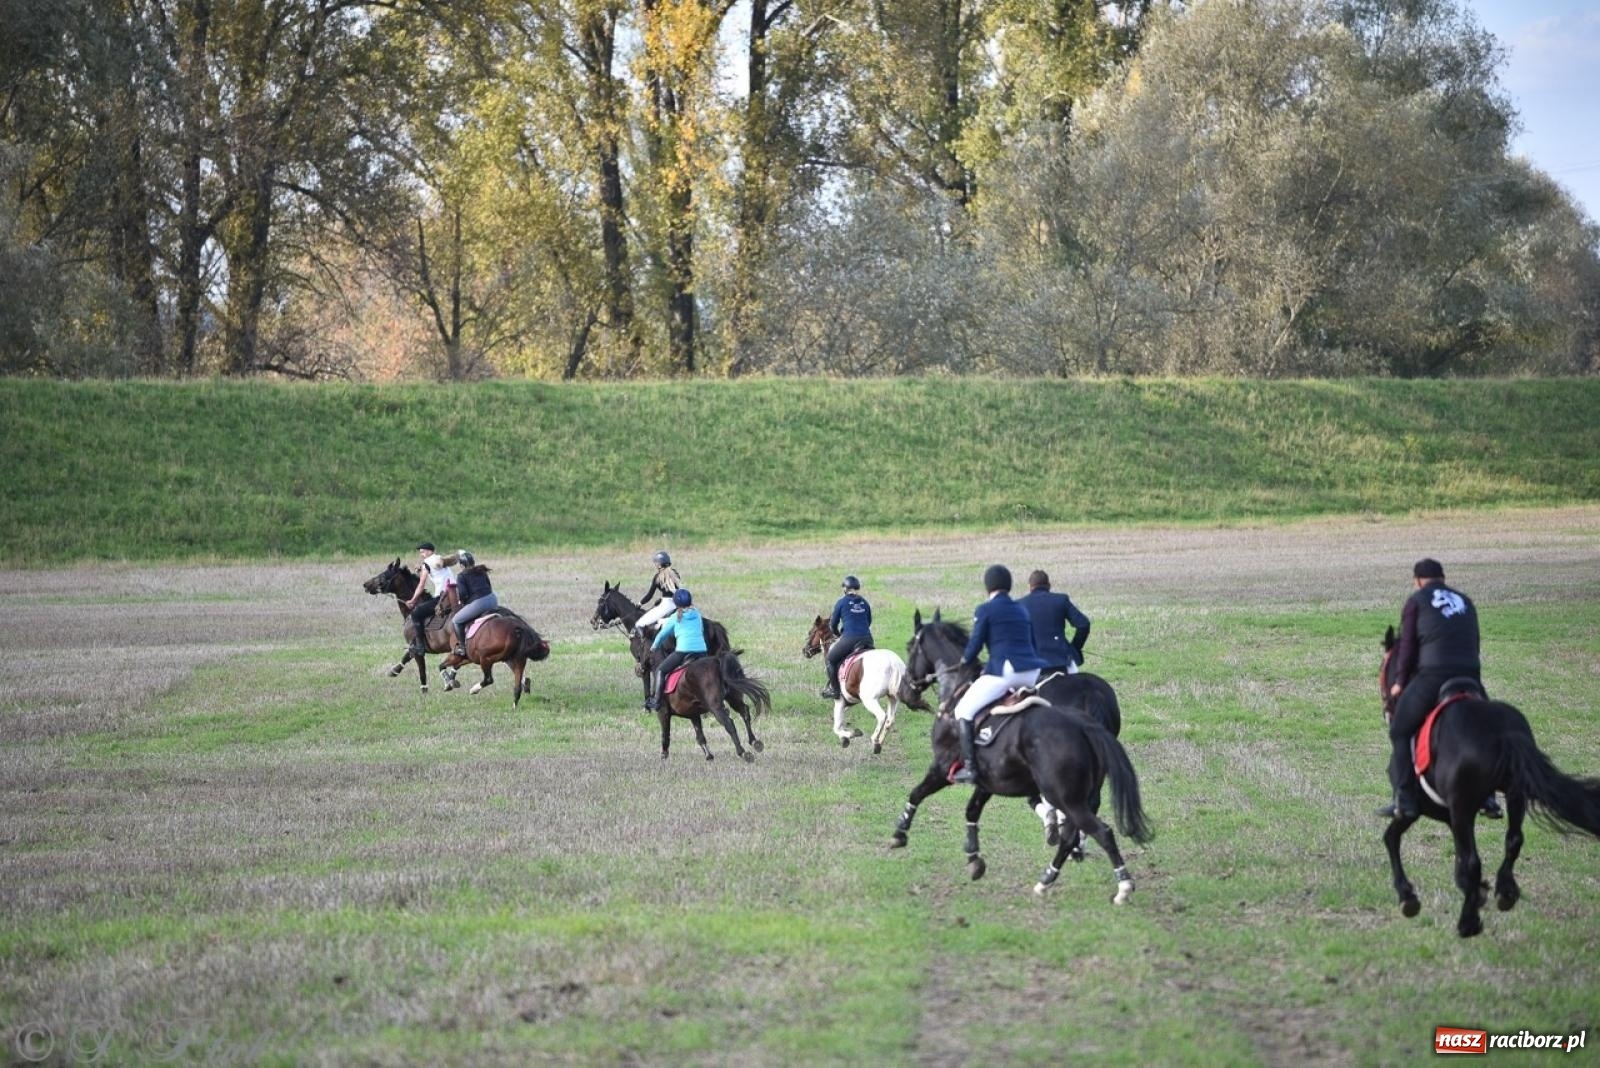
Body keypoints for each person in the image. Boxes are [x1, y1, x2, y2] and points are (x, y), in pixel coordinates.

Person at [1385, 558, 1492, 819]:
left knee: (1399, 730)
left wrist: (1399, 682)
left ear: (1418, 580)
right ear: (1443, 578)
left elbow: (1407, 646)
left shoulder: (1417, 600)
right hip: (1470, 676)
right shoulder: (1465, 601)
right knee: (1487, 730)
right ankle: (1488, 795)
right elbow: (1474, 642)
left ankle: (1405, 797)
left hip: (1434, 676)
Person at [950, 565, 1048, 785]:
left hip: (1007, 671)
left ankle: (970, 768)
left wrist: (964, 661)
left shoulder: (985, 609)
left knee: (963, 710)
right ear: (1009, 585)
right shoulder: (1022, 609)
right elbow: (1032, 643)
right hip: (1032, 672)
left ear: (988, 586)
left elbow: (975, 644)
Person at [1018, 569, 1090, 676]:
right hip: (1063, 661)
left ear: (1030, 586)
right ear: (1049, 585)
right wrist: (1074, 647)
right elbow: (1084, 624)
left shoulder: (1019, 605)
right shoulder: (1061, 600)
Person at [646, 588, 707, 711]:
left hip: (683, 651)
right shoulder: (697, 614)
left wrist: (654, 646)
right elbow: (701, 630)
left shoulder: (675, 617)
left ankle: (656, 701)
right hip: (702, 651)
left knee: (661, 671)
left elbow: (662, 634)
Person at [820, 574, 873, 699]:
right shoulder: (865, 602)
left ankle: (835, 690)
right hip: (867, 639)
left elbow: (833, 624)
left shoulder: (841, 602)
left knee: (830, 660)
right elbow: (868, 621)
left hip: (849, 639)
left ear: (845, 589)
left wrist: (839, 634)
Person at [402, 542, 459, 656]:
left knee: (416, 613)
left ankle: (419, 645)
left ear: (429, 551)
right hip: (455, 594)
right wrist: (421, 568)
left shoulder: (427, 562)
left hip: (442, 596)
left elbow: (421, 585)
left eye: (422, 552)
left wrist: (413, 600)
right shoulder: (440, 560)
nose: (421, 555)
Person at [448, 551, 498, 658]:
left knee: (456, 620)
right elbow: (489, 586)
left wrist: (464, 603)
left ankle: (462, 647)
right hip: (493, 599)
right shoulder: (481, 571)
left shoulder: (461, 575)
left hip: (480, 603)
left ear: (461, 565)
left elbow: (462, 594)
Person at [634, 550, 683, 636]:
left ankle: (645, 644)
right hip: (679, 603)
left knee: (640, 624)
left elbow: (649, 595)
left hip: (666, 605)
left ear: (660, 564)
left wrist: (640, 603)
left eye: (656, 563)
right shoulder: (675, 573)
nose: (655, 565)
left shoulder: (658, 577)